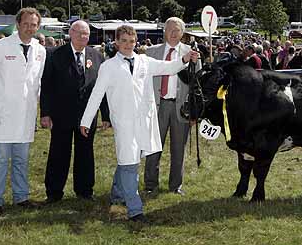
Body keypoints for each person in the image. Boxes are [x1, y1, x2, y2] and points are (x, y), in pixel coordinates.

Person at [79, 25, 198, 222]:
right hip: (124, 122)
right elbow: (97, 95)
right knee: (130, 164)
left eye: (131, 41)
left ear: (136, 43)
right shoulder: (108, 67)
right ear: (116, 42)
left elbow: (168, 67)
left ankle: (117, 195)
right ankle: (135, 210)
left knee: (130, 160)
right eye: (123, 41)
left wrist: (185, 59)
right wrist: (86, 120)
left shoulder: (144, 61)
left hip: (144, 120)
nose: (127, 45)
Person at [40, 20, 110, 203]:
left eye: (86, 34)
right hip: (61, 115)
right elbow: (46, 86)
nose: (82, 37)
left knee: (85, 153)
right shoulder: (55, 55)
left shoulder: (97, 56)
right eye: (79, 33)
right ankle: (54, 193)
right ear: (70, 33)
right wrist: (45, 113)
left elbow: (101, 89)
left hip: (87, 116)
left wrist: (106, 115)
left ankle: (85, 191)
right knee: (59, 153)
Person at [0, 8, 46, 215]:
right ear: (17, 24)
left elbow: (37, 83)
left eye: (34, 25)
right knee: (0, 160)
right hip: (2, 114)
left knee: (22, 159)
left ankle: (21, 197)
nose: (30, 28)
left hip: (25, 114)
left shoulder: (41, 50)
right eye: (26, 24)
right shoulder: (0, 47)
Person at [144, 17, 200, 196]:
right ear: (164, 31)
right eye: (170, 29)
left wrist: (194, 113)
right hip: (157, 107)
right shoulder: (151, 52)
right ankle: (150, 184)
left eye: (177, 30)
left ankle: (176, 186)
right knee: (153, 147)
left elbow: (197, 86)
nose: (173, 33)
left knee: (178, 148)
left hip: (181, 108)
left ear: (183, 33)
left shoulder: (192, 54)